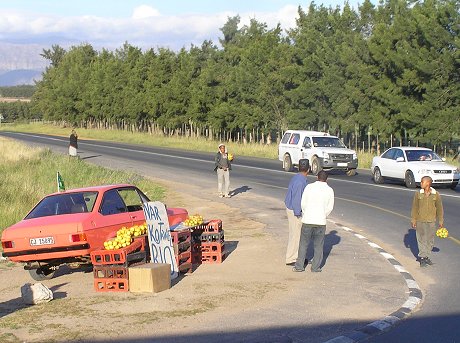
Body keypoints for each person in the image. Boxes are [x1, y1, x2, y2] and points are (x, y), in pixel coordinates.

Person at [293, 170, 334, 273]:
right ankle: (315, 267)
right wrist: (323, 215)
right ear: (327, 179)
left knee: (303, 244)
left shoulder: (309, 187)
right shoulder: (329, 190)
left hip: (308, 220)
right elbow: (330, 207)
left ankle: (299, 266)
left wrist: (307, 213)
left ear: (317, 177)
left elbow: (303, 204)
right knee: (318, 246)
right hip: (320, 222)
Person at [411, 176, 443, 267]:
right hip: (420, 220)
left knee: (430, 240)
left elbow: (439, 208)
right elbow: (415, 207)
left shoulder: (435, 194)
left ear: (428, 183)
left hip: (431, 221)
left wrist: (440, 220)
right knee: (421, 239)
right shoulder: (418, 194)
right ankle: (422, 258)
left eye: (422, 182)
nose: (420, 183)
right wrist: (413, 219)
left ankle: (426, 257)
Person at [284, 159, 309, 265]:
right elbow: (297, 198)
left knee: (297, 234)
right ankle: (291, 259)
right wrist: (298, 213)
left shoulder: (298, 177)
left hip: (292, 207)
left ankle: (298, 256)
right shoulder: (300, 181)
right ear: (308, 169)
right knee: (295, 234)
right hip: (295, 209)